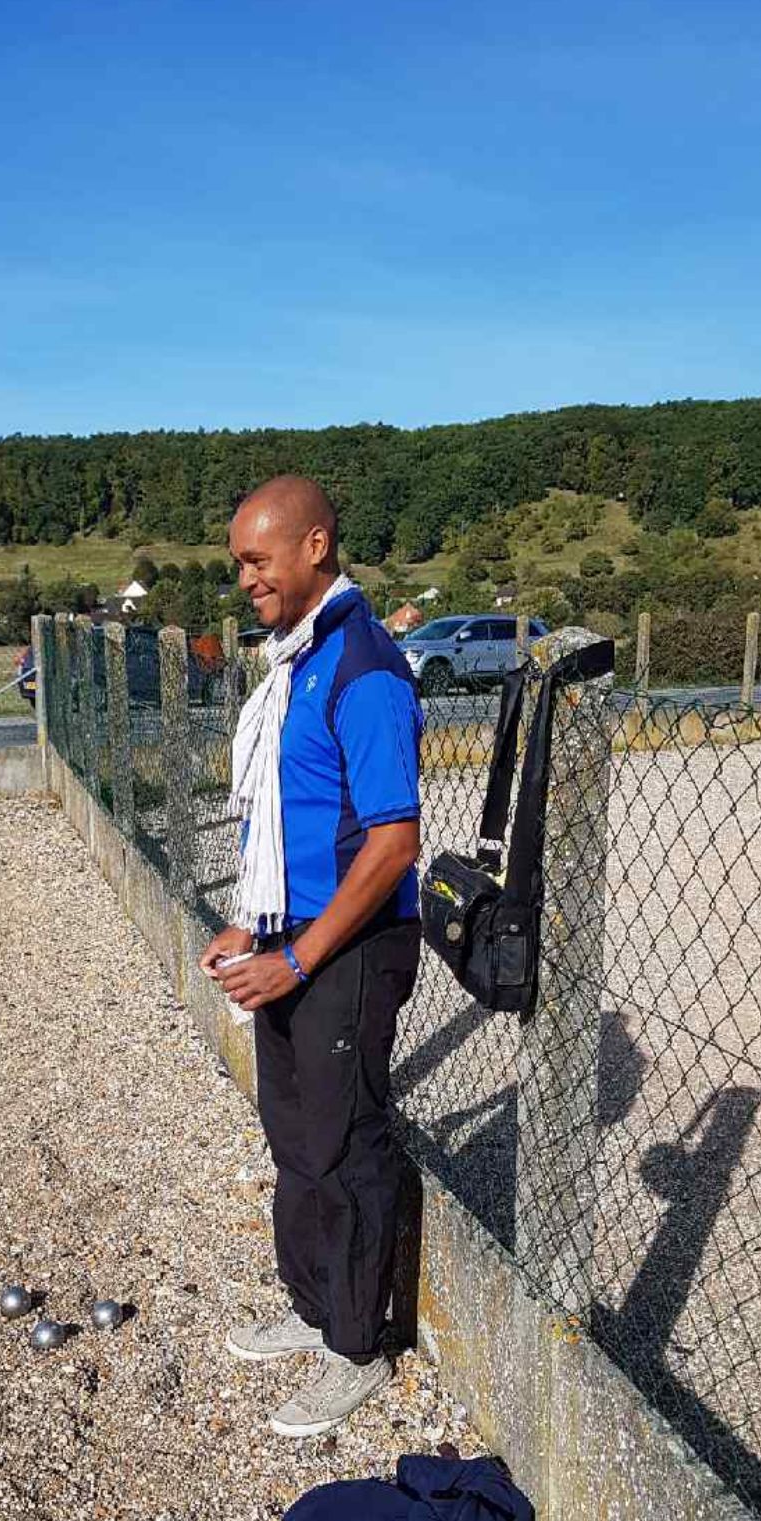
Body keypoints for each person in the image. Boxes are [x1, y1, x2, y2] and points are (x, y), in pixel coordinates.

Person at [201, 475, 422, 1438]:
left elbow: (393, 842)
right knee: (293, 1136)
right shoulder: (296, 661)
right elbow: (294, 821)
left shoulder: (363, 667)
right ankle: (313, 1307)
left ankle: (357, 1345)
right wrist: (253, 929)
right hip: (288, 935)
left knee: (345, 1141)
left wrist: (298, 962)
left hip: (353, 947)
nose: (246, 579)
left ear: (316, 547)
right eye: (239, 564)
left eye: (258, 560)